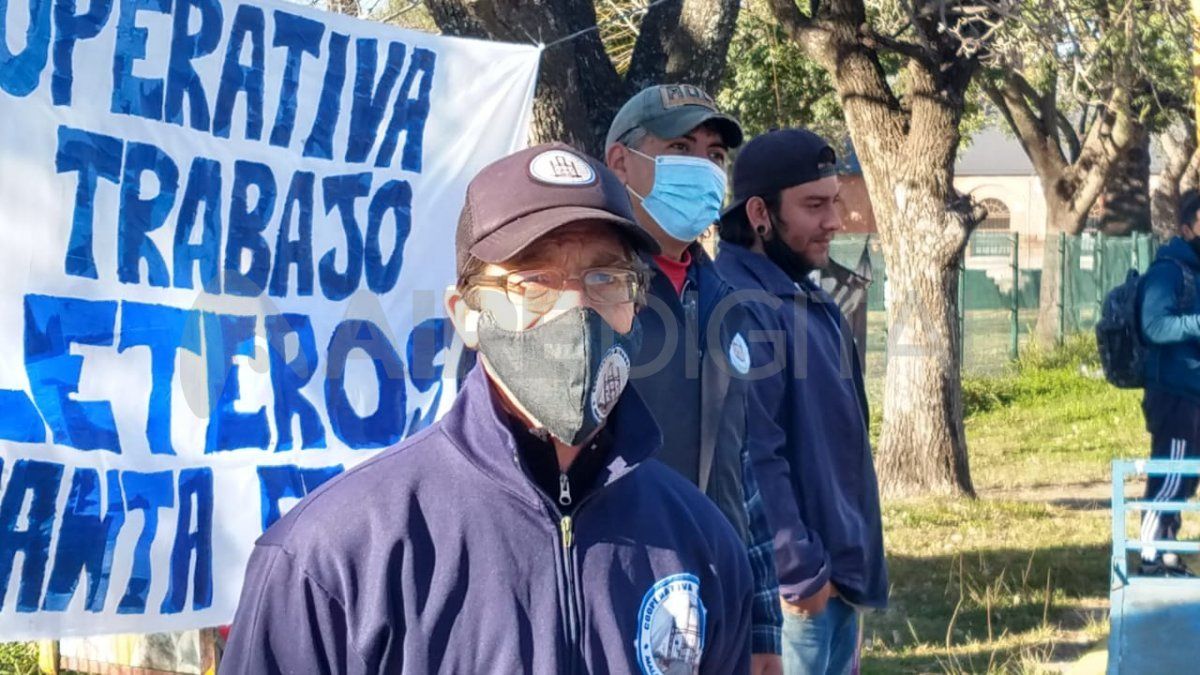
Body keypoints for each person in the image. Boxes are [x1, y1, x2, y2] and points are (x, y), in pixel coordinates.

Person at [221, 142, 753, 674]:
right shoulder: (332, 558)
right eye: (533, 282)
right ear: (466, 314)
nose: (574, 308)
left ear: (635, 305)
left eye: (605, 278)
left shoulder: (701, 545)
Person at [605, 84, 784, 674]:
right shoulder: (585, 299)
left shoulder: (727, 301)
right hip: (615, 605)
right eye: (681, 146)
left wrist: (763, 626)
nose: (704, 168)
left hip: (717, 607)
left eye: (714, 155)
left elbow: (742, 474)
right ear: (620, 163)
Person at [715, 128, 888, 674]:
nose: (834, 221)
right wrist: (801, 575)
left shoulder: (810, 298)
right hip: (798, 599)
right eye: (815, 205)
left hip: (837, 588)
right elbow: (754, 455)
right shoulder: (739, 304)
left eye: (834, 201)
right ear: (760, 213)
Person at [1136, 188, 1200, 577]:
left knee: (1187, 476)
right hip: (1173, 393)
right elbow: (1155, 325)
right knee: (1171, 472)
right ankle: (1149, 556)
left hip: (1193, 393)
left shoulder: (1195, 273)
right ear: (1186, 227)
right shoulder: (1169, 270)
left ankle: (1170, 554)